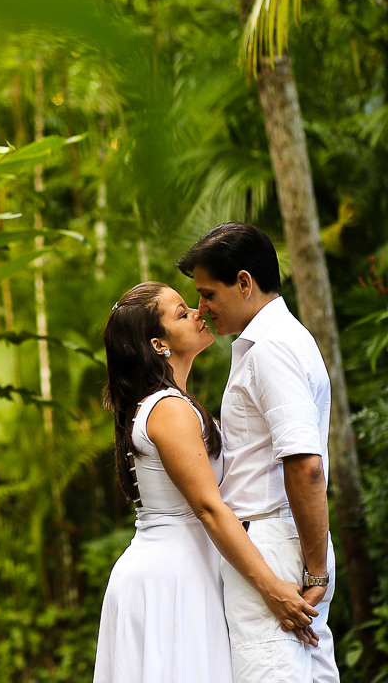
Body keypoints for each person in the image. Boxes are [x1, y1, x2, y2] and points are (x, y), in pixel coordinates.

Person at [94, 281, 317, 683]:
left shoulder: (169, 404)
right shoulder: (168, 410)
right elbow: (209, 508)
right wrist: (272, 587)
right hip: (174, 576)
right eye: (181, 313)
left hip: (188, 564)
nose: (198, 312)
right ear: (158, 344)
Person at [177, 222, 338, 683]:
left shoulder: (271, 348)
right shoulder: (273, 341)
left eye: (208, 294)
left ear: (244, 283)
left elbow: (305, 465)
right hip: (289, 542)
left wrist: (316, 572)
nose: (202, 308)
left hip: (271, 542)